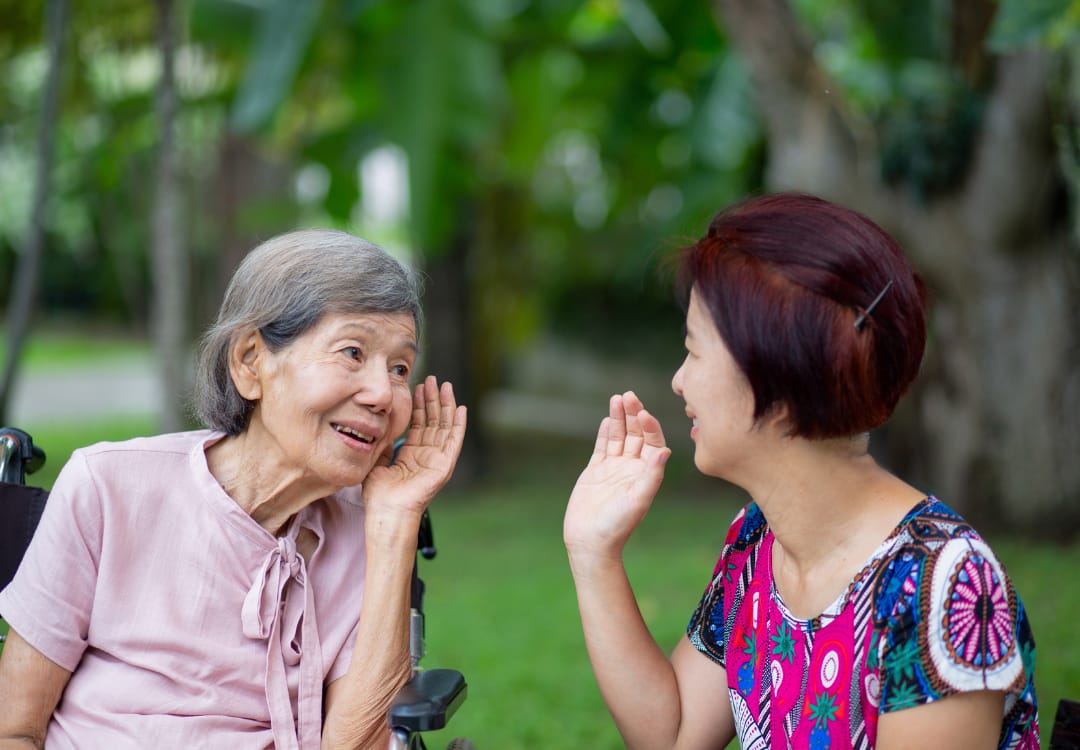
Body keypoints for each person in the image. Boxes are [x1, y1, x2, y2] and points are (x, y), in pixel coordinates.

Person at [563, 193, 1038, 749]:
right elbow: (674, 736)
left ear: (778, 382)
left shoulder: (942, 584)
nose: (678, 381)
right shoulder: (757, 541)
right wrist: (594, 553)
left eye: (693, 352)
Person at [0, 229, 467, 749]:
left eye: (400, 367)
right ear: (250, 362)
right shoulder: (108, 488)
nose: (383, 393)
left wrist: (395, 522)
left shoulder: (370, 535)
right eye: (352, 352)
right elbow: (13, 729)